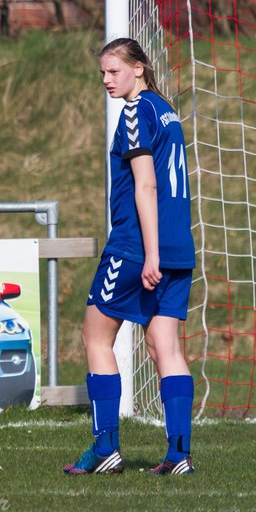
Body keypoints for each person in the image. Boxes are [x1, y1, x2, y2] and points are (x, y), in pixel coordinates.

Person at [65, 38, 196, 475]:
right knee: (165, 346)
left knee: (96, 336)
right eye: (102, 72)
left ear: (138, 68)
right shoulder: (166, 109)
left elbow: (146, 185)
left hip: (137, 245)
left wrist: (150, 255)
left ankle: (105, 450)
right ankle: (179, 455)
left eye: (114, 70)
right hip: (180, 244)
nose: (106, 79)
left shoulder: (137, 110)